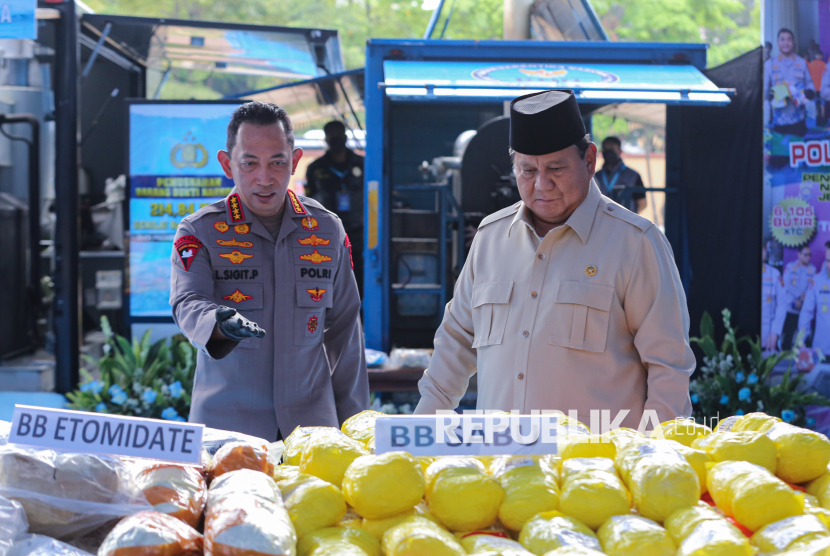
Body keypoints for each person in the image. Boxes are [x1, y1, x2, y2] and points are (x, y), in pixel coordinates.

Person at [413, 89, 695, 428]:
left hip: (595, 471)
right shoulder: (490, 239)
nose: (542, 184)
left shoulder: (635, 244)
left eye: (556, 168)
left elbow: (669, 368)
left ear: (589, 160)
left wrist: (652, 460)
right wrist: (420, 432)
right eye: (527, 170)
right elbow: (455, 343)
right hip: (501, 467)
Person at [169, 102, 368, 441]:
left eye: (277, 162)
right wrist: (218, 324)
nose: (264, 178)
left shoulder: (326, 229)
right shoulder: (200, 230)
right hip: (229, 432)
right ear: (227, 164)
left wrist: (356, 426)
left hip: (311, 433)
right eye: (249, 163)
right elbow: (187, 301)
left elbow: (345, 333)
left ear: (294, 160)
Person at [305, 121, 365, 297]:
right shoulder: (316, 168)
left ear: (345, 137)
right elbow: (309, 201)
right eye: (332, 137)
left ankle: (359, 312)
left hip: (358, 231)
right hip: (327, 233)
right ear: (326, 139)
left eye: (339, 136)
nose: (336, 140)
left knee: (358, 273)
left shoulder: (363, 164)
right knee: (329, 274)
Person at [765, 28, 816, 136]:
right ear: (778, 43)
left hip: (799, 120)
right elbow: (763, 91)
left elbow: (810, 83)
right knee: (780, 151)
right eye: (782, 40)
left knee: (798, 150)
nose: (786, 43)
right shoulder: (770, 64)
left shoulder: (801, 62)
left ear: (793, 43)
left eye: (789, 40)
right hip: (778, 121)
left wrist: (810, 92)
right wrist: (769, 94)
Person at [596, 136, 647, 214]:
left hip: (625, 222)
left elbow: (642, 203)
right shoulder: (595, 176)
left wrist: (629, 218)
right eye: (605, 149)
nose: (608, 152)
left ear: (620, 151)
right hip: (601, 222)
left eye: (612, 149)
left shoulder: (633, 176)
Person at [780, 244, 816, 350]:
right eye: (805, 255)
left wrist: (803, 301)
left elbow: (812, 289)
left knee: (805, 337)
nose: (808, 257)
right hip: (791, 307)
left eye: (810, 255)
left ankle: (806, 360)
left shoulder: (813, 269)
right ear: (799, 255)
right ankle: (785, 359)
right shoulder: (790, 267)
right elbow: (786, 285)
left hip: (805, 308)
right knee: (788, 336)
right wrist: (798, 298)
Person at [798, 240, 830, 354]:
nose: (829, 265)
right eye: (828, 261)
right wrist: (800, 340)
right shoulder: (817, 281)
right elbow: (806, 312)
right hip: (822, 350)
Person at [762, 241, 786, 353]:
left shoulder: (774, 274)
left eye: (762, 249)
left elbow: (782, 304)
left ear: (766, 250)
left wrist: (775, 332)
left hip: (768, 337)